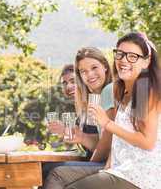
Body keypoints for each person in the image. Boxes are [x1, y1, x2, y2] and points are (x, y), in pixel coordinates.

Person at [44, 32, 161, 189]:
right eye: (120, 54)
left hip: (139, 177)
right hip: (122, 171)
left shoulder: (144, 90)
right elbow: (120, 143)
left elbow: (147, 141)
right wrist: (108, 166)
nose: (124, 60)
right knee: (57, 176)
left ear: (146, 62)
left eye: (132, 56)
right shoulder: (126, 92)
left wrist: (106, 123)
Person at [44, 48, 114, 182]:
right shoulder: (89, 101)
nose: (90, 74)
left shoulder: (110, 91)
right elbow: (100, 141)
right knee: (46, 168)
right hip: (101, 161)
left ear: (105, 66)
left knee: (50, 170)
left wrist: (89, 167)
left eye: (94, 67)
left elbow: (107, 144)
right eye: (84, 71)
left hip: (110, 164)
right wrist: (77, 136)